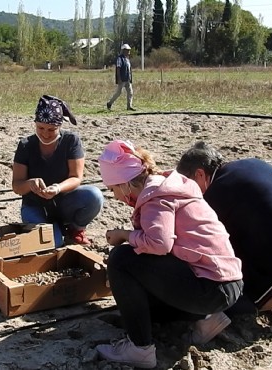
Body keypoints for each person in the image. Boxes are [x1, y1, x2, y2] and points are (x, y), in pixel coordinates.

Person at [95, 140, 243, 369]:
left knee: (121, 259)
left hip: (210, 288)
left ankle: (139, 348)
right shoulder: (171, 186)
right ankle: (205, 320)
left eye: (113, 189)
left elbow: (159, 244)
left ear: (124, 184)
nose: (115, 196)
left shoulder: (156, 198)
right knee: (144, 288)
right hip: (227, 282)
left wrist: (124, 235)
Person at [176, 141, 272, 335]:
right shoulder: (253, 164)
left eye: (188, 184)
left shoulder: (215, 195)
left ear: (200, 174)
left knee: (227, 298)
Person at [12, 95, 103, 247]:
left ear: (60, 126)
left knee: (94, 196)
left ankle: (76, 230)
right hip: (35, 205)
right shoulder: (25, 145)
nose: (46, 134)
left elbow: (76, 177)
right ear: (35, 124)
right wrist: (30, 184)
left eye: (51, 129)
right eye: (40, 128)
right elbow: (16, 186)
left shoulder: (71, 141)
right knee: (53, 243)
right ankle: (56, 231)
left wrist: (57, 188)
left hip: (64, 201)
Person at [106, 44, 135, 111]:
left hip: (127, 78)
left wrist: (130, 78)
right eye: (127, 50)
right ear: (124, 50)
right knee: (118, 93)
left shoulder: (127, 59)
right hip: (122, 79)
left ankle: (129, 106)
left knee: (130, 92)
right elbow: (118, 68)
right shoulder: (120, 58)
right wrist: (119, 79)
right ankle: (109, 103)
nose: (129, 51)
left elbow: (129, 69)